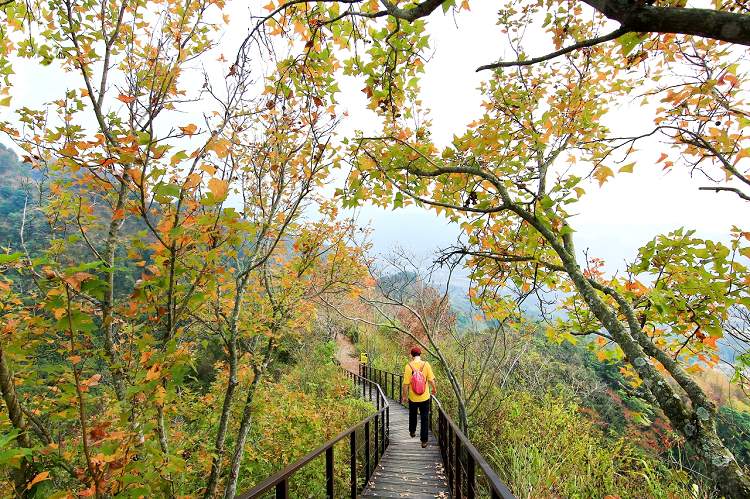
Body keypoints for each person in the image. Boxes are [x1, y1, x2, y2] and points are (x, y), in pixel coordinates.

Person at [401, 346, 437, 448]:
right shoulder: (426, 365)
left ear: (412, 355)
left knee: (412, 415)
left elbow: (405, 384)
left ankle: (412, 431)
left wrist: (404, 396)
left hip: (413, 398)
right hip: (425, 397)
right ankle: (424, 441)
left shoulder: (408, 366)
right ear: (420, 354)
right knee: (425, 418)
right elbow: (431, 380)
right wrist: (434, 389)